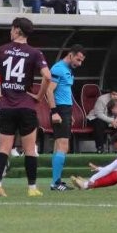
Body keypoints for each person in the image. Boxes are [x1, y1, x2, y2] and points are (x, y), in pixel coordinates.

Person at [0, 17, 52, 198]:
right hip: (26, 106)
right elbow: (47, 76)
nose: (10, 32)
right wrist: (39, 96)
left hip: (6, 106)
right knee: (30, 149)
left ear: (17, 30)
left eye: (12, 29)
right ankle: (32, 188)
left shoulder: (1, 50)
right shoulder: (35, 53)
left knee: (4, 147)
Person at [45, 45, 86, 191]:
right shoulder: (58, 69)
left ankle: (55, 182)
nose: (79, 63)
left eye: (81, 61)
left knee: (59, 147)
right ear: (70, 55)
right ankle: (55, 183)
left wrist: (70, 113)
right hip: (60, 110)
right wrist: (54, 112)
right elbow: (49, 91)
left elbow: (65, 92)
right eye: (78, 59)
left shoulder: (68, 70)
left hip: (65, 110)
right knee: (63, 146)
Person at [87, 88, 117, 153]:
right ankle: (100, 148)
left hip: (113, 121)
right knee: (99, 123)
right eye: (113, 94)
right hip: (96, 118)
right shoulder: (102, 99)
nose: (115, 96)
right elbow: (99, 114)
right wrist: (112, 121)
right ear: (110, 93)